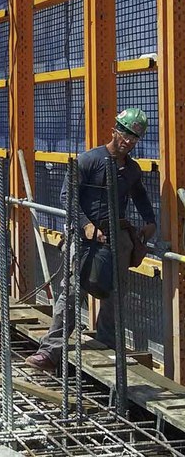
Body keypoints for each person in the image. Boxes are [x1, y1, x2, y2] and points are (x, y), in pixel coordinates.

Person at [26, 107, 157, 372]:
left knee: (114, 292)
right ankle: (50, 351)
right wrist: (85, 225)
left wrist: (150, 221)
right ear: (115, 130)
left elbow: (140, 194)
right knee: (73, 292)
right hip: (87, 241)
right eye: (125, 133)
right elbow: (67, 196)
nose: (128, 140)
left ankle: (107, 343)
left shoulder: (131, 169)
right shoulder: (89, 161)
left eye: (134, 137)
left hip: (117, 238)